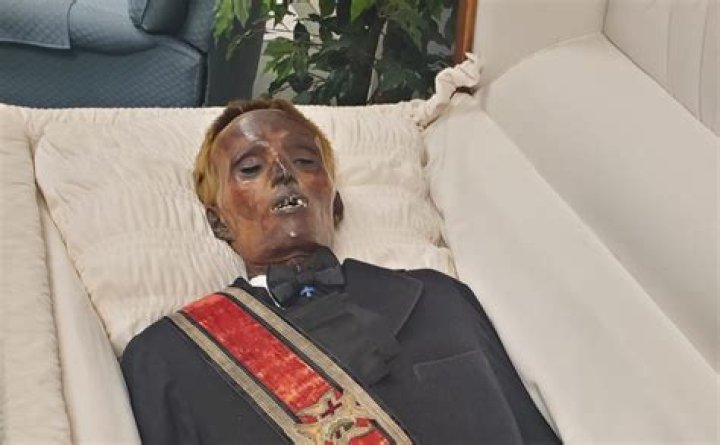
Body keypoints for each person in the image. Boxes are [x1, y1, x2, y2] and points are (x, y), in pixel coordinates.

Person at [121, 99, 560, 444]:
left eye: (304, 161)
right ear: (218, 222)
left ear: (335, 203)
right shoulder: (170, 354)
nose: (282, 172)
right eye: (250, 168)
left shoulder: (441, 297)